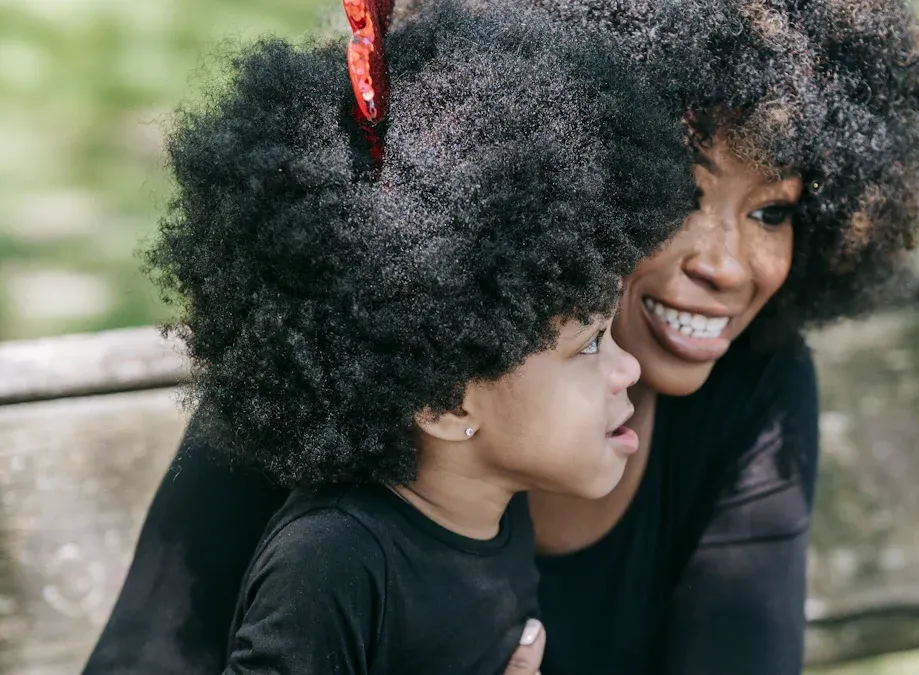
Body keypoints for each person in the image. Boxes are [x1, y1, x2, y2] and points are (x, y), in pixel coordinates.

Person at [83, 1, 919, 674]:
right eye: (687, 194)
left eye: (773, 209)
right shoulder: (345, 369)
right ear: (569, 175)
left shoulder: (754, 387)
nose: (730, 265)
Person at [102, 1, 693, 673]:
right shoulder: (332, 563)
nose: (627, 370)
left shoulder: (495, 517)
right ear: (447, 401)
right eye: (588, 343)